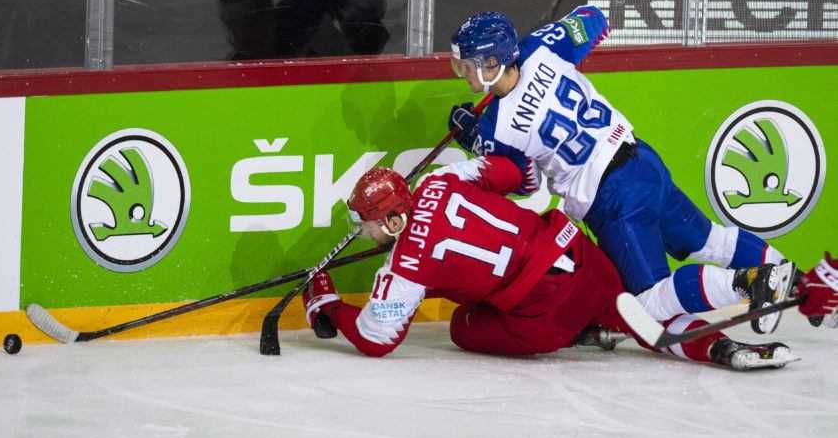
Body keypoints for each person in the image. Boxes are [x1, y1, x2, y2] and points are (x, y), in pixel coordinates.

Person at [445, 6, 795, 335]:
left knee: (647, 302)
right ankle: (795, 282)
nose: (462, 73)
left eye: (467, 65)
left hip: (612, 199)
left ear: (492, 63)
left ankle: (750, 283)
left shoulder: (496, 127)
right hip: (643, 161)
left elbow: (524, 182)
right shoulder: (540, 46)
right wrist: (563, 55)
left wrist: (474, 139)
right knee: (709, 241)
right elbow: (593, 19)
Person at [302, 155, 799, 371]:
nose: (357, 229)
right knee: (647, 315)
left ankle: (740, 285)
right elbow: (517, 172)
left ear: (391, 221)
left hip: (543, 317)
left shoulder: (404, 266)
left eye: (361, 220)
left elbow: (376, 337)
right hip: (578, 255)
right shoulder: (442, 178)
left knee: (461, 326)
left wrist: (325, 302)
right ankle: (723, 347)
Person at [218, 0, 390, 60]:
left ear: (268, 14)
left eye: (248, 23)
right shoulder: (238, 65)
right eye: (232, 25)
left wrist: (360, 21)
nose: (240, 35)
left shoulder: (304, 20)